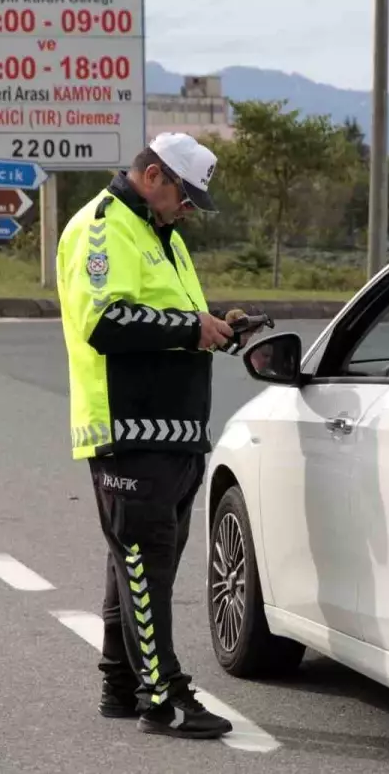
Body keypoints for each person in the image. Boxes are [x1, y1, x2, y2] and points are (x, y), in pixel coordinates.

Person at [55, 132, 259, 740]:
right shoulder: (101, 226)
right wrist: (189, 328)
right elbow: (103, 320)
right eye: (185, 196)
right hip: (127, 426)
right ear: (152, 176)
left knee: (138, 567)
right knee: (145, 565)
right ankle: (165, 697)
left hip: (172, 431)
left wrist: (218, 325)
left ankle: (120, 684)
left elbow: (171, 317)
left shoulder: (158, 235)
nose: (189, 209)